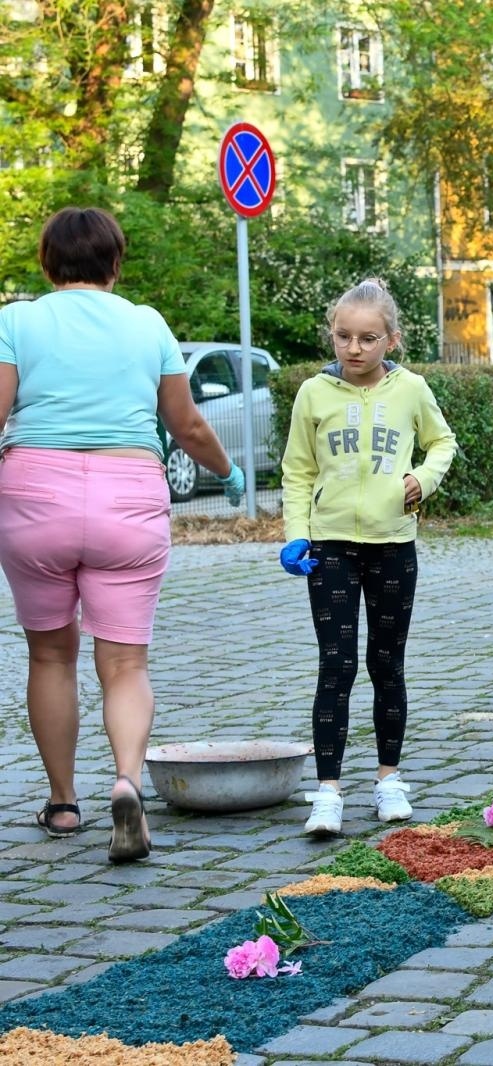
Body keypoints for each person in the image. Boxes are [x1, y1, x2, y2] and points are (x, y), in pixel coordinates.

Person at [0, 206, 244, 863]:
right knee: (126, 662)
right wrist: (229, 472)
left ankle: (61, 803)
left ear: (48, 264)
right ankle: (127, 782)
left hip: (34, 498)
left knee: (50, 655)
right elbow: (186, 424)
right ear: (116, 263)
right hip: (128, 498)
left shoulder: (14, 321)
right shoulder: (147, 325)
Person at [278, 278, 457, 837]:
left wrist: (422, 479)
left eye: (368, 338)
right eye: (343, 336)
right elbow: (297, 470)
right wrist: (295, 532)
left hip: (393, 546)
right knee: (336, 665)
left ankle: (388, 780)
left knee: (387, 664)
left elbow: (443, 443)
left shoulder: (411, 391)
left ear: (392, 340)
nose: (354, 349)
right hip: (330, 547)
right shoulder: (313, 394)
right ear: (332, 335)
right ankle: (328, 792)